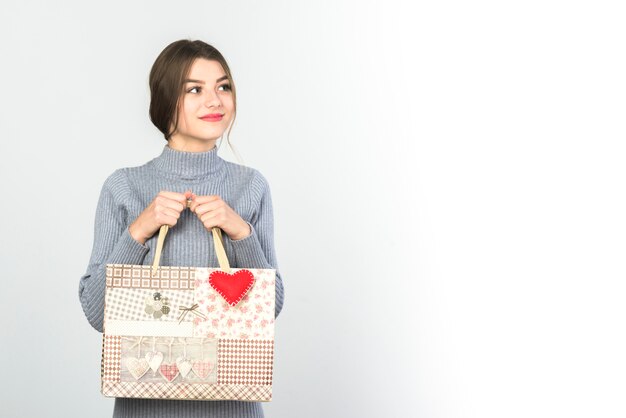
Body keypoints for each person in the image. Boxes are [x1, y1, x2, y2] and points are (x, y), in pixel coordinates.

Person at [78, 39, 285, 418]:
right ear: (164, 101)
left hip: (234, 408)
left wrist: (241, 232)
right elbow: (96, 314)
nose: (215, 101)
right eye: (195, 89)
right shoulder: (124, 187)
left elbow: (268, 310)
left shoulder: (250, 187)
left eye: (223, 87)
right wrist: (140, 229)